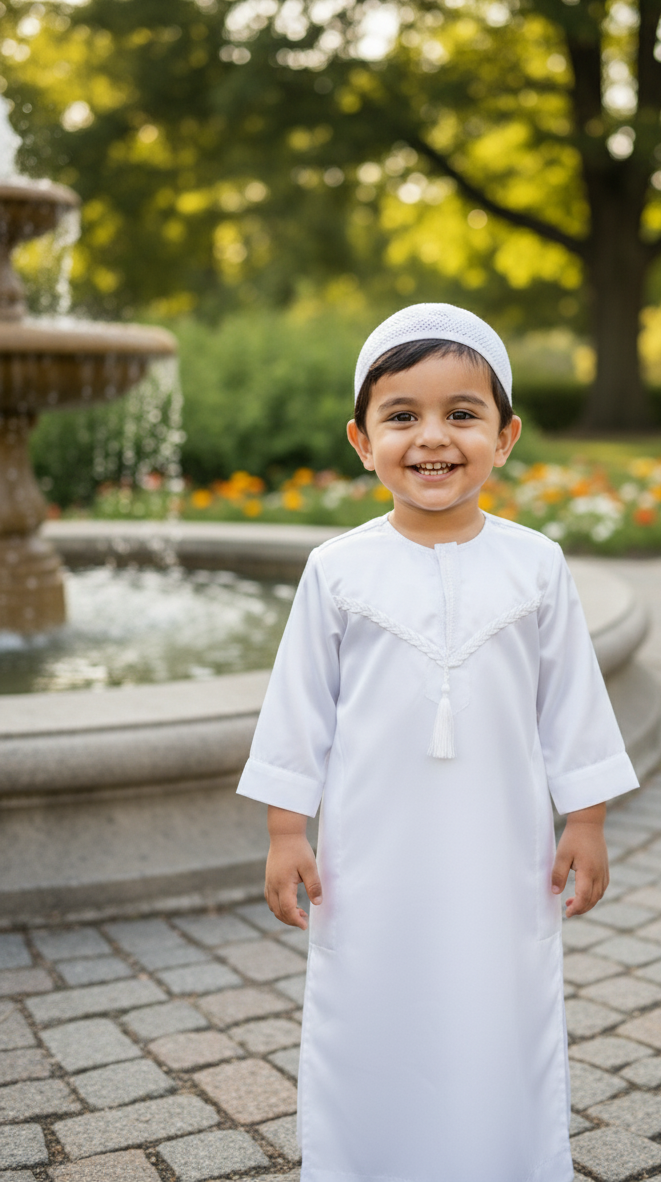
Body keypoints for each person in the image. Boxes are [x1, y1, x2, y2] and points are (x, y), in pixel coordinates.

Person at [236, 303, 639, 1182]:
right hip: (370, 853)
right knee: (370, 1002)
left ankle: (503, 1159)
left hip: (502, 850)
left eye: (462, 413)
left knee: (499, 1003)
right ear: (361, 440)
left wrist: (587, 819)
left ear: (505, 436)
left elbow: (571, 702)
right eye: (402, 415)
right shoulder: (337, 570)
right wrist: (285, 830)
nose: (432, 438)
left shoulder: (537, 565)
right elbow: (300, 708)